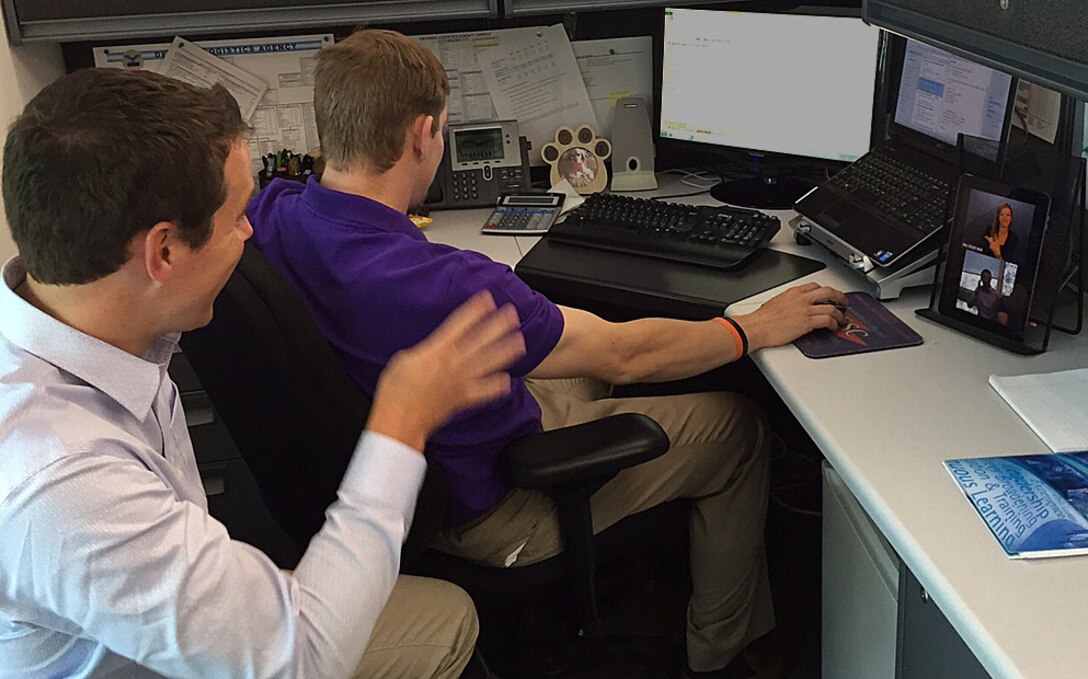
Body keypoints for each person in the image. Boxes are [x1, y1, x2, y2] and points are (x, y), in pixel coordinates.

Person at [246, 29, 848, 678]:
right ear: (422, 135)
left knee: (590, 369)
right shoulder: (447, 284)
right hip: (496, 504)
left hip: (406, 470)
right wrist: (752, 329)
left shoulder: (273, 212)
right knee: (739, 426)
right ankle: (722, 652)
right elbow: (624, 355)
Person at [0, 67, 528, 678]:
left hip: (159, 630)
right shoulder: (64, 484)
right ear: (163, 252)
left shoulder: (93, 327)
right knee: (444, 621)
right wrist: (402, 420)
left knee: (437, 611)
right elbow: (303, 659)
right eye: (237, 218)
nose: (249, 234)